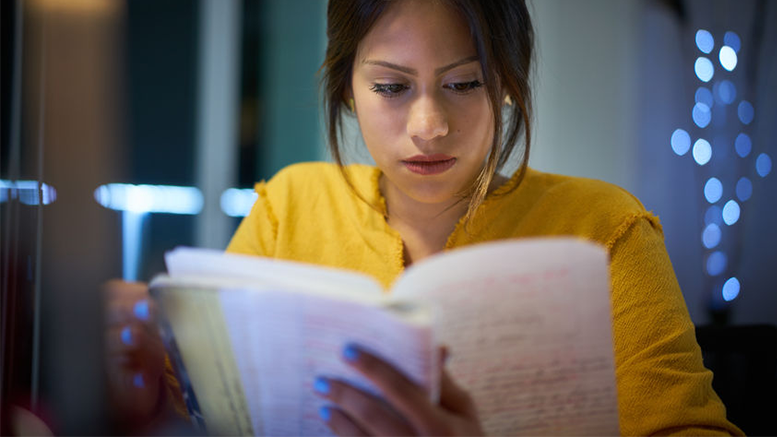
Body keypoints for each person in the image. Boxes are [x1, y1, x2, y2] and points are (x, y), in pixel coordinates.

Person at [105, 0, 744, 435]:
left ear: (508, 86)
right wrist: (130, 365)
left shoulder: (604, 230)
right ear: (346, 90)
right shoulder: (290, 207)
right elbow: (194, 398)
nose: (429, 126)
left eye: (464, 84)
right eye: (390, 87)